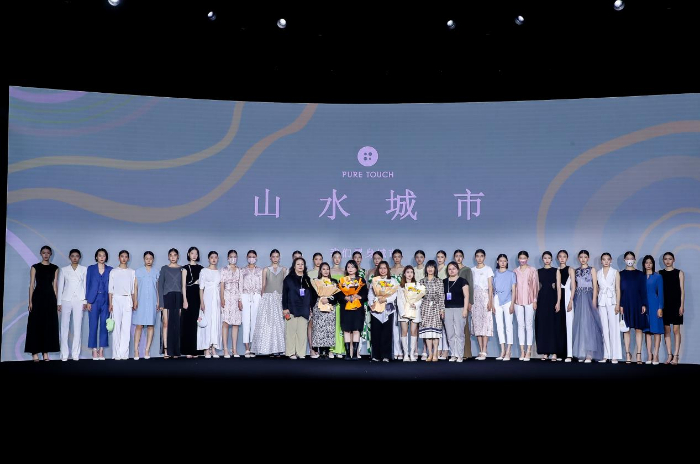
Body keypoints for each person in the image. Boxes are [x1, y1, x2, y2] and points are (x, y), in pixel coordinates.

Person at [25, 246, 60, 361]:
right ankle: (34, 352)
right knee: (35, 325)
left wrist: (56, 301)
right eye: (44, 253)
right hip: (37, 298)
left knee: (48, 325)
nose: (46, 255)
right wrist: (30, 301)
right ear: (40, 253)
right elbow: (31, 285)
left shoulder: (55, 268)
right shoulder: (35, 267)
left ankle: (45, 352)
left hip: (50, 299)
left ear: (51, 254)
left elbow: (55, 286)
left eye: (48, 253)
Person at [252, 249, 287, 357]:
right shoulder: (266, 270)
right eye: (273, 256)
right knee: (268, 324)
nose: (275, 258)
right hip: (268, 298)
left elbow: (285, 286)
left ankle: (279, 348)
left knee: (280, 324)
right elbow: (263, 285)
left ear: (279, 257)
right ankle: (269, 348)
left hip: (280, 298)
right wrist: (263, 298)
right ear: (270, 257)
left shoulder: (284, 269)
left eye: (277, 256)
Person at [572, 250, 604, 362]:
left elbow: (595, 286)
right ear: (578, 258)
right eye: (581, 257)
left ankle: (590, 354)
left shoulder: (592, 269)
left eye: (585, 257)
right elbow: (575, 286)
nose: (583, 259)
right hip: (579, 297)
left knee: (590, 324)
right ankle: (582, 352)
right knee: (581, 324)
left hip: (589, 297)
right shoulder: (576, 271)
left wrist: (594, 299)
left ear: (588, 258)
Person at [57, 249, 87, 361]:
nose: (75, 258)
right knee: (64, 327)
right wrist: (59, 302)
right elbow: (60, 286)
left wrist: (85, 301)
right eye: (73, 256)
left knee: (78, 327)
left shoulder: (84, 269)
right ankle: (64, 354)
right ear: (69, 257)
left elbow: (85, 285)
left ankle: (75, 354)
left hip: (79, 300)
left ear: (79, 257)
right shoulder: (64, 270)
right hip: (66, 299)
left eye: (77, 256)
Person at [535, 251, 564, 361]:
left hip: (552, 298)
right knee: (543, 325)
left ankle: (554, 352)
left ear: (551, 259)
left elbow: (558, 288)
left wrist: (558, 302)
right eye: (545, 258)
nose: (547, 260)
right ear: (542, 259)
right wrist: (535, 301)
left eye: (548, 258)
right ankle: (545, 352)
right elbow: (536, 288)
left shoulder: (556, 271)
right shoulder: (538, 271)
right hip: (542, 299)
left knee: (553, 325)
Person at [619, 251, 648, 364]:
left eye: (631, 258)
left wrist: (644, 304)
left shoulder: (640, 274)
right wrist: (620, 304)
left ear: (634, 260)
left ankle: (638, 354)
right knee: (626, 329)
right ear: (624, 260)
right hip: (625, 303)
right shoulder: (620, 274)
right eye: (627, 258)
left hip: (638, 303)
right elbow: (619, 291)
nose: (629, 260)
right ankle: (628, 354)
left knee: (638, 329)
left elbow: (643, 290)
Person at [282, 257, 314, 359]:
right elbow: (284, 294)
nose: (300, 266)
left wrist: (311, 308)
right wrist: (285, 308)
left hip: (304, 308)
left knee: (302, 332)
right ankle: (291, 353)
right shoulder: (288, 279)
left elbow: (311, 295)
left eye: (302, 264)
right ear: (294, 266)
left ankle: (301, 353)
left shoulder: (307, 279)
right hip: (291, 308)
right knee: (291, 332)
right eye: (298, 264)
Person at [108, 250, 137, 360]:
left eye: (126, 257)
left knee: (126, 327)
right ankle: (116, 354)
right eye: (122, 256)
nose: (124, 258)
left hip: (127, 299)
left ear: (128, 258)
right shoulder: (113, 272)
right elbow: (110, 290)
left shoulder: (132, 272)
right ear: (118, 258)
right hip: (116, 299)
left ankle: (124, 353)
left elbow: (133, 290)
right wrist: (110, 303)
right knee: (116, 328)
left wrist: (134, 302)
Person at [368, 261, 399, 362]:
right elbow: (370, 294)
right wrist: (372, 303)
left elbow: (394, 294)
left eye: (385, 268)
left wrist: (386, 299)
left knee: (387, 333)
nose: (382, 270)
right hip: (376, 309)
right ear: (378, 269)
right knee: (376, 332)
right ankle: (376, 355)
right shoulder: (374, 280)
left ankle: (386, 355)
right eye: (381, 268)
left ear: (388, 269)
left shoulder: (392, 281)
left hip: (388, 309)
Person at [86, 248, 112, 361]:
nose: (102, 257)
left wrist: (111, 303)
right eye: (99, 255)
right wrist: (88, 301)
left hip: (106, 300)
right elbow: (87, 284)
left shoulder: (110, 270)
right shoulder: (91, 268)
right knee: (93, 325)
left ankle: (101, 350)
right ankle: (94, 349)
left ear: (106, 257)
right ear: (96, 257)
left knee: (104, 326)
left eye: (103, 255)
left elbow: (112, 286)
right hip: (93, 300)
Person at [339, 260, 368, 360]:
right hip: (346, 308)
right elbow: (338, 293)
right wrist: (345, 297)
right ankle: (348, 354)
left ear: (356, 268)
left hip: (357, 308)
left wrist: (359, 296)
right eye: (348, 267)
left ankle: (355, 353)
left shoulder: (361, 280)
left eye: (352, 267)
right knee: (346, 330)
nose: (350, 269)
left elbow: (365, 294)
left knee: (356, 329)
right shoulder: (342, 280)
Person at [659, 252, 684, 365]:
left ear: (674, 260)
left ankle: (676, 355)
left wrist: (681, 305)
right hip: (665, 305)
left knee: (676, 330)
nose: (668, 261)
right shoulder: (660, 273)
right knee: (667, 330)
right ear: (663, 260)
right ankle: (670, 355)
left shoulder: (679, 273)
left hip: (676, 304)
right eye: (665, 259)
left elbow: (682, 291)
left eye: (670, 259)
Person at [133, 251, 158, 360]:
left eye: (150, 258)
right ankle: (136, 350)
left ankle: (147, 350)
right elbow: (135, 287)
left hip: (152, 301)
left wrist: (158, 301)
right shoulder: (138, 271)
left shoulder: (156, 272)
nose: (148, 260)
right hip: (141, 301)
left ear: (153, 260)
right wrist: (135, 300)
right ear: (144, 259)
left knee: (151, 325)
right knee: (139, 325)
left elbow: (157, 288)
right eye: (147, 258)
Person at [513, 251, 538, 361]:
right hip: (517, 301)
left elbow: (535, 286)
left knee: (529, 325)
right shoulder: (515, 271)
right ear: (518, 259)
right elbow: (513, 287)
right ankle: (522, 351)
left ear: (527, 258)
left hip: (530, 300)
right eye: (520, 258)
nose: (522, 260)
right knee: (520, 326)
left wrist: (535, 300)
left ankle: (529, 351)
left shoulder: (532, 270)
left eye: (524, 258)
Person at [158, 248, 182, 358]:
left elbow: (184, 286)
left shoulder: (182, 269)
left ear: (178, 256)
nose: (173, 257)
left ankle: (176, 350)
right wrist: (161, 303)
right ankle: (166, 350)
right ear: (168, 257)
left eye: (175, 255)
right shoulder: (164, 268)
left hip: (179, 297)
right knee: (166, 323)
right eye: (171, 255)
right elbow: (160, 286)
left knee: (177, 324)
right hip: (167, 297)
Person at [597, 252, 621, 363]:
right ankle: (606, 355)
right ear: (601, 261)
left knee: (613, 327)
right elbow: (597, 288)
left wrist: (618, 304)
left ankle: (614, 355)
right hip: (601, 300)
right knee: (604, 328)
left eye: (608, 259)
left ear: (611, 260)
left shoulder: (615, 272)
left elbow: (618, 289)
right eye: (604, 259)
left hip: (612, 301)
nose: (606, 261)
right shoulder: (598, 273)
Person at [311, 262, 339, 359]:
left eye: (327, 269)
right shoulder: (316, 281)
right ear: (320, 271)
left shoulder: (334, 282)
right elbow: (312, 295)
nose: (326, 271)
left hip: (329, 306)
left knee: (329, 329)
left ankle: (327, 351)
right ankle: (319, 351)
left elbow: (337, 295)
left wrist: (329, 299)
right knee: (319, 328)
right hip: (319, 306)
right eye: (323, 269)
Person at [419, 260, 445, 362]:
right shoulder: (421, 281)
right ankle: (429, 353)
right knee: (427, 333)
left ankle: (435, 354)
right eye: (428, 267)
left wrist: (442, 309)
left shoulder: (439, 281)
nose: (430, 269)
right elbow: (418, 296)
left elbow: (441, 296)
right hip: (425, 308)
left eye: (432, 267)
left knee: (435, 332)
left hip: (435, 308)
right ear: (426, 268)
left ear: (435, 269)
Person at [442, 261, 469, 362]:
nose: (452, 271)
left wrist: (465, 309)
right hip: (447, 309)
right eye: (449, 269)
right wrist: (442, 310)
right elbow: (442, 297)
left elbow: (466, 296)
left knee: (459, 333)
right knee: (450, 333)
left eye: (454, 268)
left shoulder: (463, 281)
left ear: (457, 270)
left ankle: (460, 355)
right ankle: (453, 354)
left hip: (460, 309)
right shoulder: (444, 282)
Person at [198, 251, 222, 358]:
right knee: (207, 323)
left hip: (216, 300)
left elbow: (221, 287)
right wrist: (202, 302)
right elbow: (201, 288)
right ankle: (206, 348)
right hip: (207, 298)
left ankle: (213, 347)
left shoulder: (220, 272)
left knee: (215, 323)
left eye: (215, 257)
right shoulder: (204, 271)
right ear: (208, 259)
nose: (214, 259)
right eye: (212, 257)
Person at [493, 254, 516, 361]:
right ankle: (502, 350)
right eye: (501, 261)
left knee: (508, 326)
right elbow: (492, 289)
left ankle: (508, 350)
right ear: (498, 262)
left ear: (507, 262)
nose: (502, 263)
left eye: (504, 261)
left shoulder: (511, 274)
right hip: (497, 300)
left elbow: (514, 290)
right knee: (499, 326)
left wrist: (512, 304)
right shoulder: (494, 274)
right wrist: (492, 303)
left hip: (508, 300)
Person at [181, 247, 203, 358]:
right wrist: (184, 300)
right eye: (192, 253)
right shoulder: (185, 268)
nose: (194, 255)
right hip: (189, 296)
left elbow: (203, 285)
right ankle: (187, 350)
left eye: (196, 253)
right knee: (188, 323)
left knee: (196, 323)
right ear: (188, 254)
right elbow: (183, 286)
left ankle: (196, 350)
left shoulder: (201, 268)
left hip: (198, 296)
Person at [240, 250, 263, 358]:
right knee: (245, 321)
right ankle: (247, 348)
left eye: (253, 256)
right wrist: (239, 299)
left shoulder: (260, 270)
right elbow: (240, 285)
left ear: (256, 257)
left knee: (255, 322)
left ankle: (253, 347)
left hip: (256, 296)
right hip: (245, 295)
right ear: (247, 257)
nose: (251, 258)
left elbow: (262, 285)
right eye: (250, 256)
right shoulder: (242, 270)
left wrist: (261, 298)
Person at [397, 265, 422, 362]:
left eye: (411, 272)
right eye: (407, 272)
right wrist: (402, 312)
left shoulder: (417, 285)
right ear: (404, 274)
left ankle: (412, 354)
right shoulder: (400, 287)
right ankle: (405, 354)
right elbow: (399, 301)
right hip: (404, 312)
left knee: (413, 331)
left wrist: (416, 305)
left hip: (414, 310)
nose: (409, 274)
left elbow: (420, 298)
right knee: (404, 332)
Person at [642, 255, 664, 365]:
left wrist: (660, 307)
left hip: (655, 305)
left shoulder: (658, 277)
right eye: (646, 262)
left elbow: (661, 293)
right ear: (644, 264)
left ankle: (656, 355)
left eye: (650, 263)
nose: (648, 264)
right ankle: (649, 355)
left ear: (653, 264)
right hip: (644, 306)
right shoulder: (641, 277)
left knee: (656, 330)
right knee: (647, 331)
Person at [220, 250, 242, 358]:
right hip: (227, 297)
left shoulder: (239, 270)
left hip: (236, 298)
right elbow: (222, 285)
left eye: (235, 256)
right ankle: (225, 349)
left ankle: (234, 349)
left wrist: (240, 300)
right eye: (231, 256)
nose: (233, 258)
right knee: (225, 322)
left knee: (236, 323)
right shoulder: (224, 269)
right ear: (228, 258)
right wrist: (222, 298)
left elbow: (240, 285)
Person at [454, 249, 474, 360]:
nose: (458, 258)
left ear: (463, 257)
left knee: (464, 328)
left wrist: (470, 302)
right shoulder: (451, 269)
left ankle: (466, 353)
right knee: (454, 329)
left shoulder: (467, 270)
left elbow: (470, 285)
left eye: (460, 256)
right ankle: (456, 352)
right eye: (456, 256)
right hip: (454, 302)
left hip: (464, 302)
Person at [557, 250, 576, 362]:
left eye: (564, 256)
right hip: (559, 299)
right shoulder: (556, 270)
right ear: (557, 258)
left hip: (568, 298)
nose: (562, 258)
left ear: (567, 258)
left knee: (569, 325)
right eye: (560, 256)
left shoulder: (570, 269)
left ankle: (570, 353)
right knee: (560, 326)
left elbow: (573, 286)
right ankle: (561, 353)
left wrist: (570, 301)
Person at [307, 252, 323, 358]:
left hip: (323, 301)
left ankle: (321, 349)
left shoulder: (325, 272)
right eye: (316, 259)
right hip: (311, 300)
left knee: (321, 325)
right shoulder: (309, 273)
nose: (318, 261)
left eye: (320, 259)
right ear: (313, 260)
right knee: (311, 324)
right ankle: (312, 349)